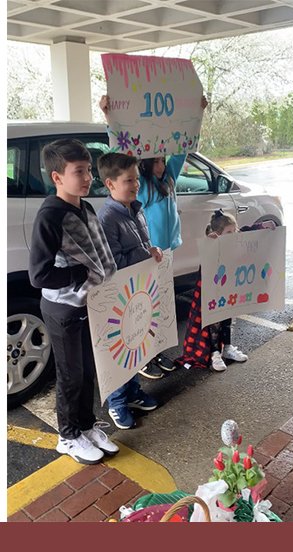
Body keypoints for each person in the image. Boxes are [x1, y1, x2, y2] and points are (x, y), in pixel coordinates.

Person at [99, 94, 208, 379]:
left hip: (165, 252)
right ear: (145, 165)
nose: (161, 164)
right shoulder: (142, 185)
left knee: (159, 306)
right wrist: (110, 116)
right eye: (156, 161)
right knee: (141, 308)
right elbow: (121, 151)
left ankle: (155, 351)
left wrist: (197, 114)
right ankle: (144, 357)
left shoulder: (168, 178)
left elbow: (183, 148)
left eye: (162, 161)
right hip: (144, 256)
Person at [29, 138, 119, 464]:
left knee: (86, 371)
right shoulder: (50, 215)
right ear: (57, 177)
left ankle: (85, 426)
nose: (87, 177)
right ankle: (67, 437)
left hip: (88, 306)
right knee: (69, 375)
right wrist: (76, 275)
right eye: (79, 171)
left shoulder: (86, 207)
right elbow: (38, 275)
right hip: (63, 308)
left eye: (89, 170)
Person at [96, 152, 164, 429]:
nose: (135, 185)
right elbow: (111, 262)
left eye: (136, 179)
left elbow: (143, 244)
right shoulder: (107, 217)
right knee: (120, 348)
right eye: (129, 180)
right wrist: (144, 257)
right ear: (111, 184)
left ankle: (133, 391)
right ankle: (117, 402)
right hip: (119, 295)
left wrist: (153, 251)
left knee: (136, 343)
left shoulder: (136, 208)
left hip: (138, 292)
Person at [175, 210, 276, 372]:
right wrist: (211, 242)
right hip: (213, 290)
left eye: (234, 230)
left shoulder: (236, 239)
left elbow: (247, 230)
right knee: (215, 319)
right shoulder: (212, 243)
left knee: (228, 317)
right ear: (218, 233)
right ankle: (215, 353)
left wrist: (263, 225)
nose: (234, 234)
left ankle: (227, 347)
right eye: (229, 232)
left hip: (229, 288)